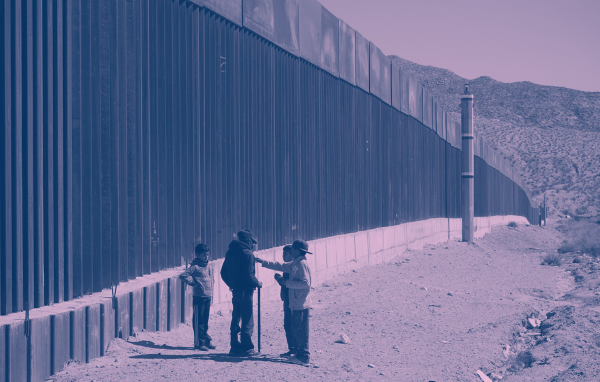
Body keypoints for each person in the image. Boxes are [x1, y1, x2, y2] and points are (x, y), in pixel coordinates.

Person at [256, 239, 312, 365]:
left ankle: (303, 357)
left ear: (297, 250)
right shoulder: (295, 263)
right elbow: (280, 266)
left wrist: (286, 283)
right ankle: (299, 355)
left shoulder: (301, 264)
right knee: (297, 329)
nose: (290, 250)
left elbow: (305, 283)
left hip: (300, 302)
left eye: (292, 249)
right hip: (297, 301)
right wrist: (263, 262)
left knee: (301, 330)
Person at [220, 229, 262, 356]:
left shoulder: (230, 252)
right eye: (252, 242)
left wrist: (232, 284)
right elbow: (248, 274)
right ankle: (247, 347)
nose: (253, 245)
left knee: (236, 318)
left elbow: (223, 273)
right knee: (247, 319)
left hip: (236, 291)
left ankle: (234, 346)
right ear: (249, 240)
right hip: (246, 290)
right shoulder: (248, 254)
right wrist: (257, 283)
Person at [179, 243, 216, 351]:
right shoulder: (194, 267)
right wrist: (193, 283)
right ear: (197, 255)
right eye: (204, 255)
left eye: (207, 255)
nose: (206, 257)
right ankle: (199, 343)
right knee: (199, 321)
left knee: (205, 321)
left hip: (208, 296)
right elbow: (183, 276)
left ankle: (205, 339)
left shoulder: (209, 266)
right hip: (198, 297)